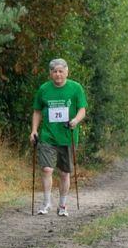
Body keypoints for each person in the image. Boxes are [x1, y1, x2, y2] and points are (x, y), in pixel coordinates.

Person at [29, 58, 87, 216]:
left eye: (61, 71)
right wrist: (34, 130)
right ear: (50, 74)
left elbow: (82, 109)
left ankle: (62, 205)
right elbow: (37, 110)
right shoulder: (44, 89)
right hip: (48, 135)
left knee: (64, 173)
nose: (58, 74)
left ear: (67, 72)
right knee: (47, 169)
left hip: (67, 136)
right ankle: (46, 203)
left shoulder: (75, 88)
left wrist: (75, 120)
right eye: (55, 71)